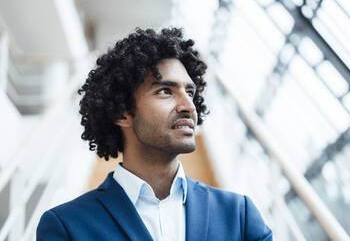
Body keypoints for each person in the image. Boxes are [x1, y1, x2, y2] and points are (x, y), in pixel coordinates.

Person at [36, 27, 272, 241]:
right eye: (165, 91)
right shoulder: (67, 227)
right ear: (122, 113)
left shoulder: (240, 216)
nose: (188, 105)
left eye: (190, 92)